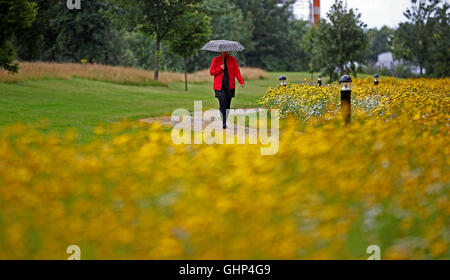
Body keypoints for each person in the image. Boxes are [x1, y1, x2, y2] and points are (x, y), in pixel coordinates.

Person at [209, 52, 245, 129]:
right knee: (222, 103)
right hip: (219, 87)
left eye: (227, 50)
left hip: (230, 86)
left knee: (227, 105)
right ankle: (224, 122)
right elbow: (211, 72)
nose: (225, 52)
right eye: (223, 50)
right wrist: (220, 68)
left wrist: (241, 81)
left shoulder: (232, 60)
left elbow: (237, 71)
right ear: (220, 51)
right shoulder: (216, 60)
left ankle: (225, 119)